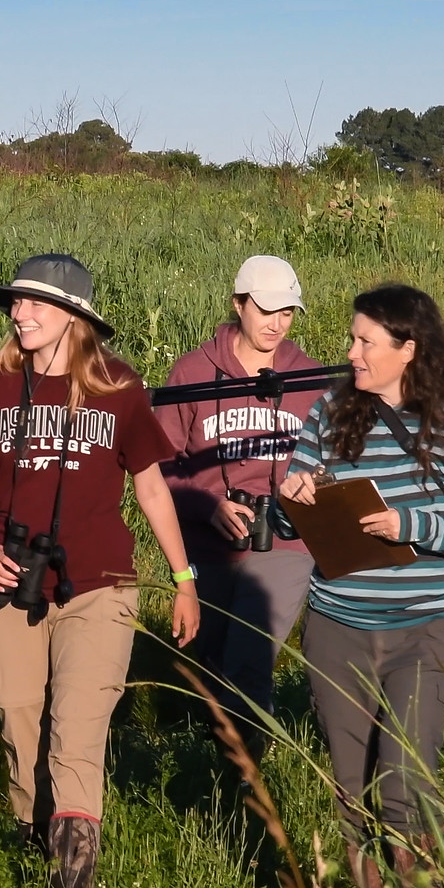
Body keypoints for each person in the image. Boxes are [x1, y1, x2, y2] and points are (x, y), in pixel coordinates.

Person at [0, 253, 201, 888]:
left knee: (78, 733)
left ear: (74, 317)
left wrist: (182, 578)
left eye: (35, 304)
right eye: (16, 303)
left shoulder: (118, 387)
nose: (19, 313)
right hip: (10, 579)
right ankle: (37, 838)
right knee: (17, 719)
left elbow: (150, 485)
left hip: (100, 584)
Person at [276, 283, 444, 888]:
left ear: (408, 348)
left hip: (428, 628)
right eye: (352, 338)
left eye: (364, 341)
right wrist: (291, 502)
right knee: (350, 787)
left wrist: (412, 526)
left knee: (405, 783)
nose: (351, 352)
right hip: (338, 625)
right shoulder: (329, 412)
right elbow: (293, 522)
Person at [156, 255, 328, 755]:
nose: (276, 324)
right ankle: (216, 774)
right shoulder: (191, 372)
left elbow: (337, 461)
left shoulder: (311, 378)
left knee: (248, 656)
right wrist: (208, 504)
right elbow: (160, 465)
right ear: (238, 304)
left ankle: (250, 773)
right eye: (265, 310)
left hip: (287, 540)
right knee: (211, 665)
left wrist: (309, 486)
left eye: (288, 313)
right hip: (210, 539)